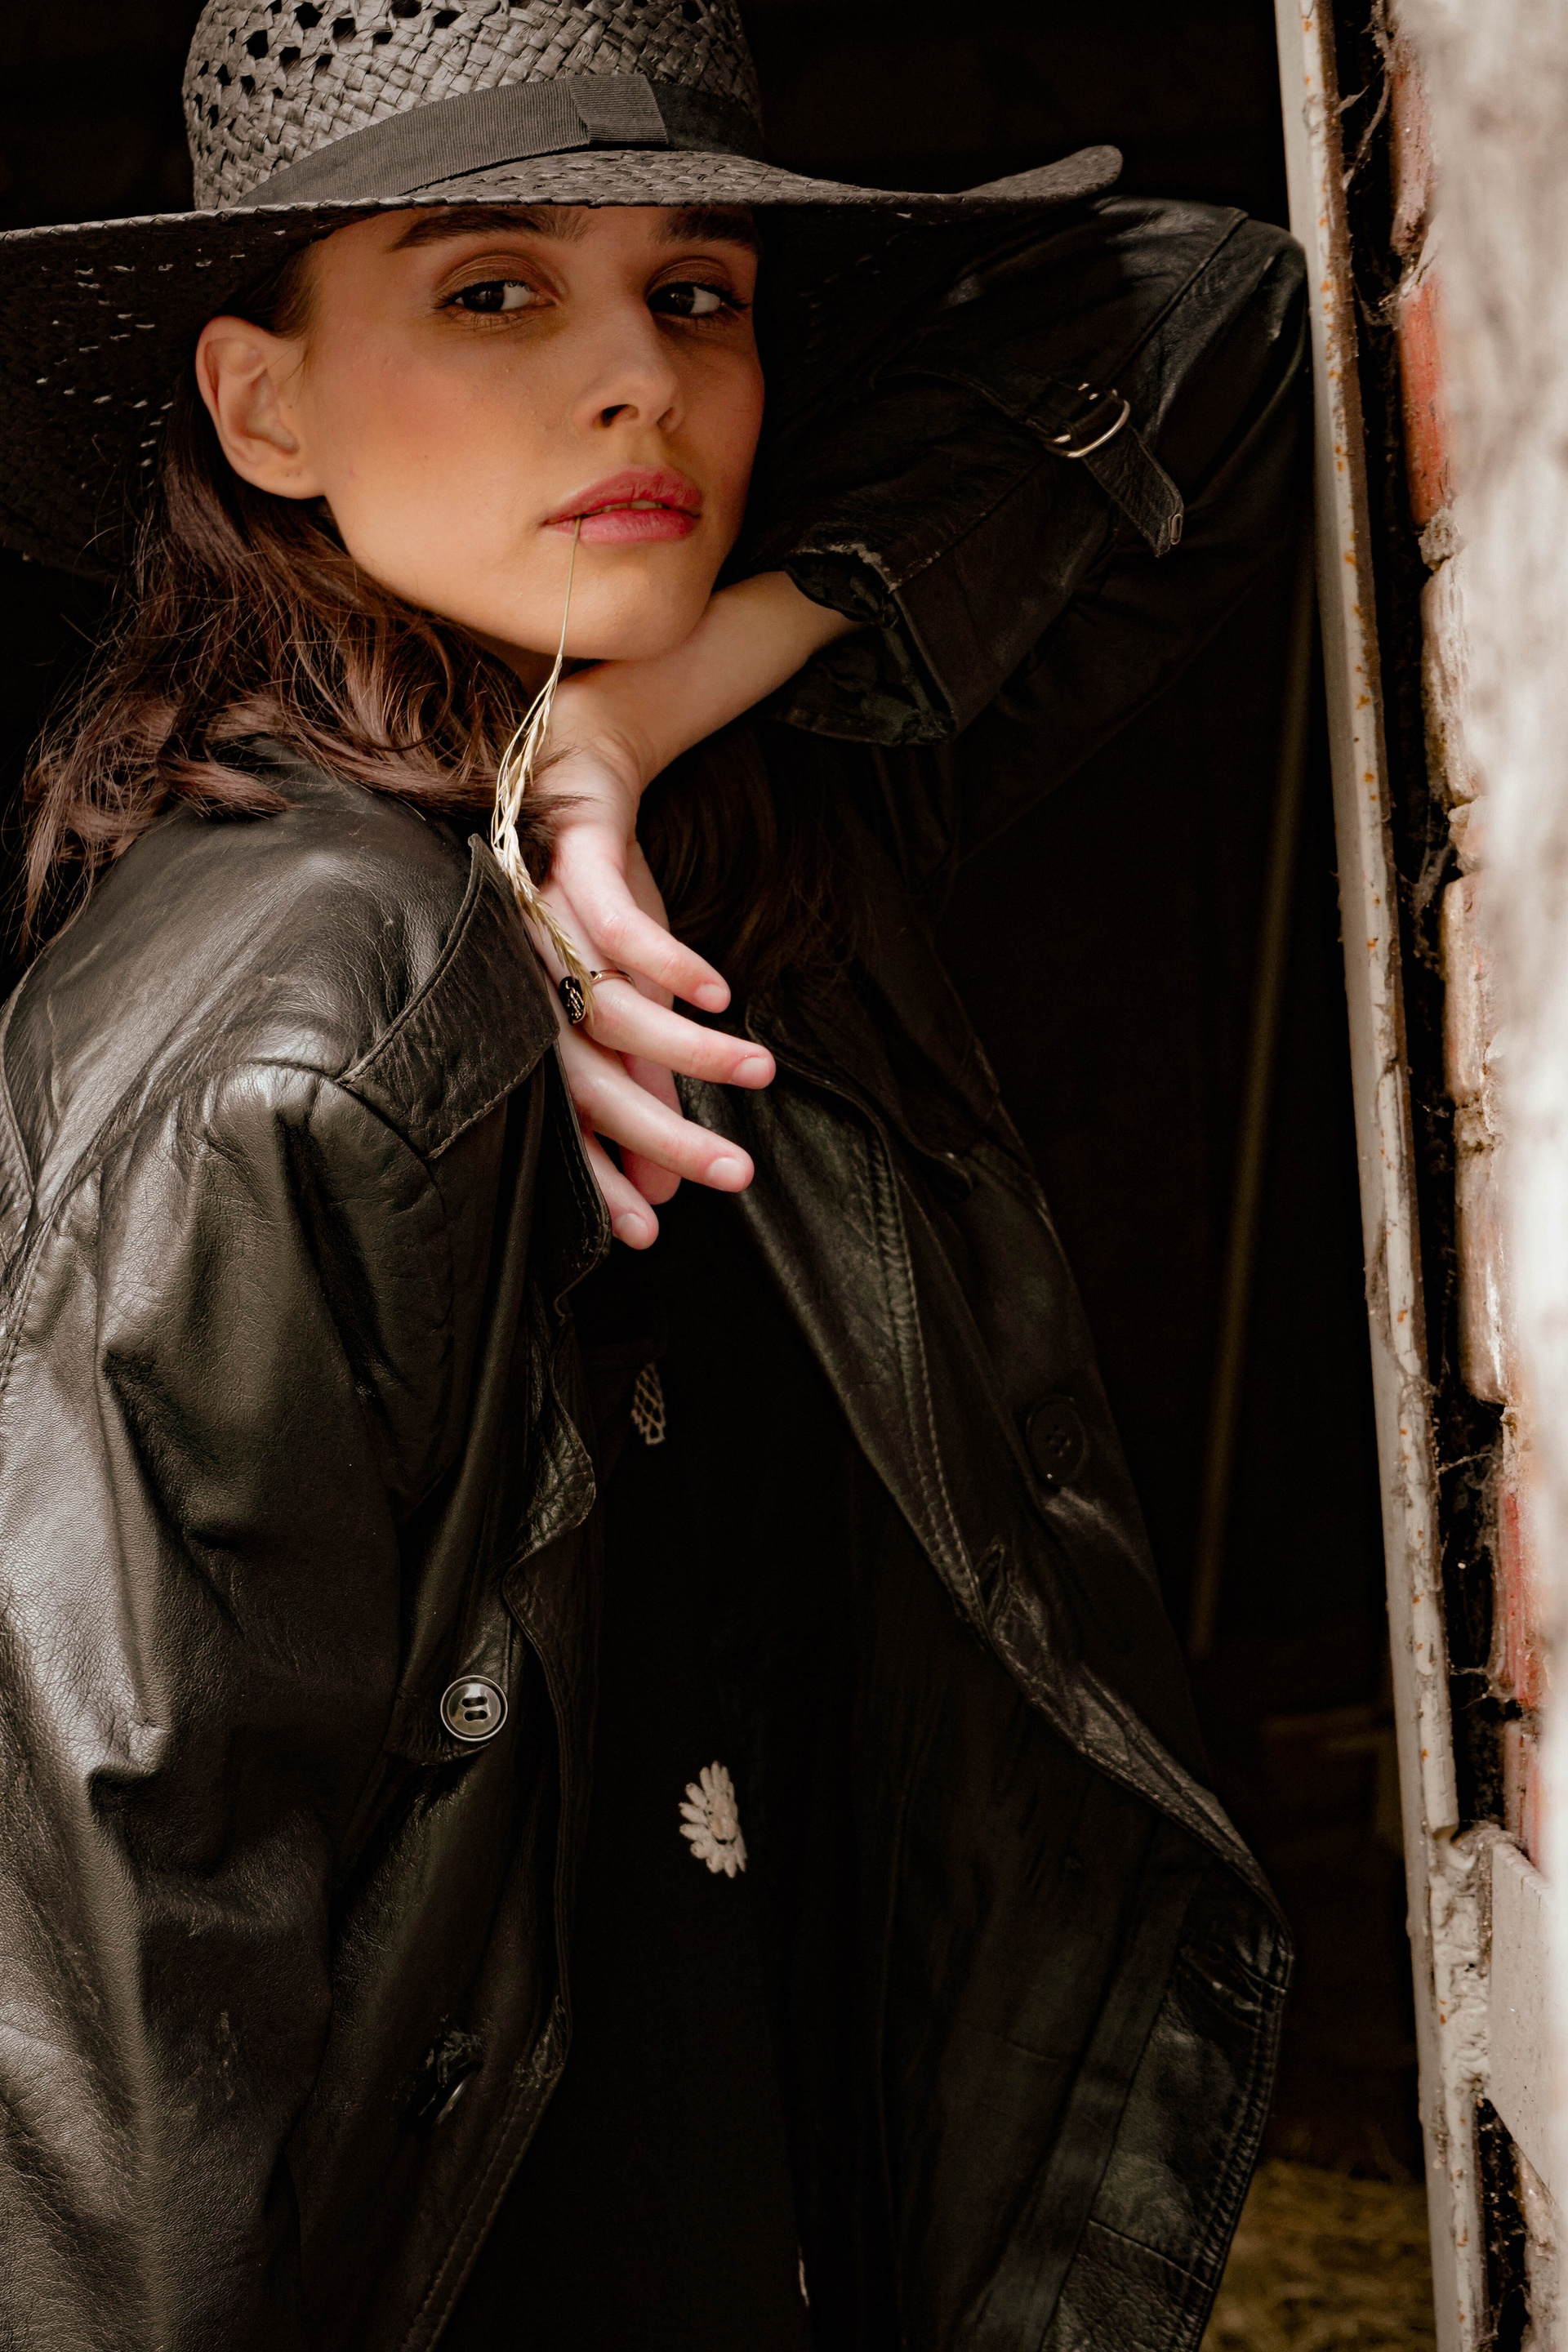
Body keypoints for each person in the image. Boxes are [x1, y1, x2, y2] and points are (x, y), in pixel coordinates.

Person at [0, 4, 1307, 2346]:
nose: (642, 384)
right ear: (264, 410)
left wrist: (635, 719)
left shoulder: (741, 834)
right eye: (494, 286)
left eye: (697, 291)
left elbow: (1230, 313)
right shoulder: (298, 1019)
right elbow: (94, 1997)